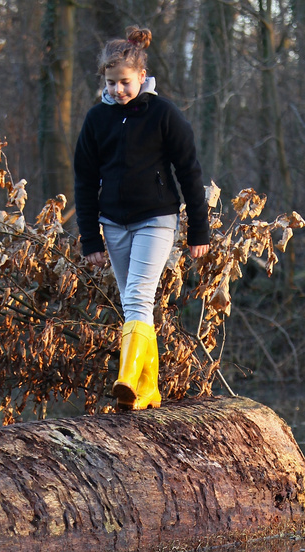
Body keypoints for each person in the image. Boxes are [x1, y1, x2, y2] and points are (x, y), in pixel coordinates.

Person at [74, 26, 210, 411]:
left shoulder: (164, 114)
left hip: (156, 218)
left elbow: (190, 172)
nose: (118, 90)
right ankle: (147, 389)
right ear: (104, 79)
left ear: (141, 77)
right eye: (112, 82)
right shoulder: (96, 120)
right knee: (135, 304)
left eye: (125, 82)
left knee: (137, 296)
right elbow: (84, 181)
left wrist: (198, 230)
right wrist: (91, 239)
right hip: (113, 223)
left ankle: (126, 378)